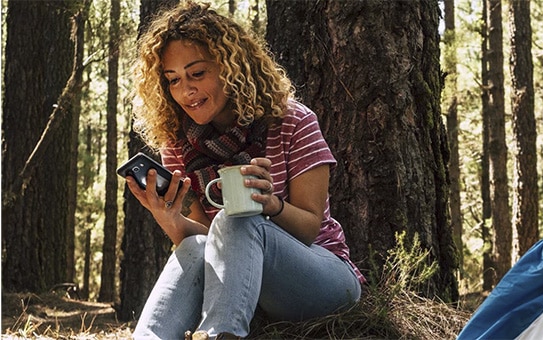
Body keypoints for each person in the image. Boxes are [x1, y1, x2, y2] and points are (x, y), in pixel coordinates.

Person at [126, 1, 364, 339]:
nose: (186, 90)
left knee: (238, 217)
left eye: (197, 74)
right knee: (194, 247)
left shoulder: (293, 122)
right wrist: (172, 221)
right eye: (173, 80)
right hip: (243, 287)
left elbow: (312, 228)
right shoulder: (177, 145)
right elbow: (210, 245)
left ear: (230, 68)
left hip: (321, 275)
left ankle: (220, 334)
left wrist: (271, 205)